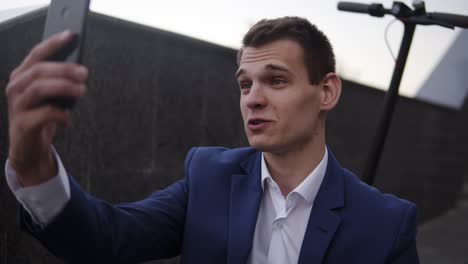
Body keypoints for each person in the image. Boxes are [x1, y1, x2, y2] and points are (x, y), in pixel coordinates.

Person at [5, 17, 418, 263]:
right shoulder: (208, 176)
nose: (253, 98)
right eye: (244, 84)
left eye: (275, 80)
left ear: (326, 92)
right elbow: (105, 238)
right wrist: (32, 164)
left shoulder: (386, 224)